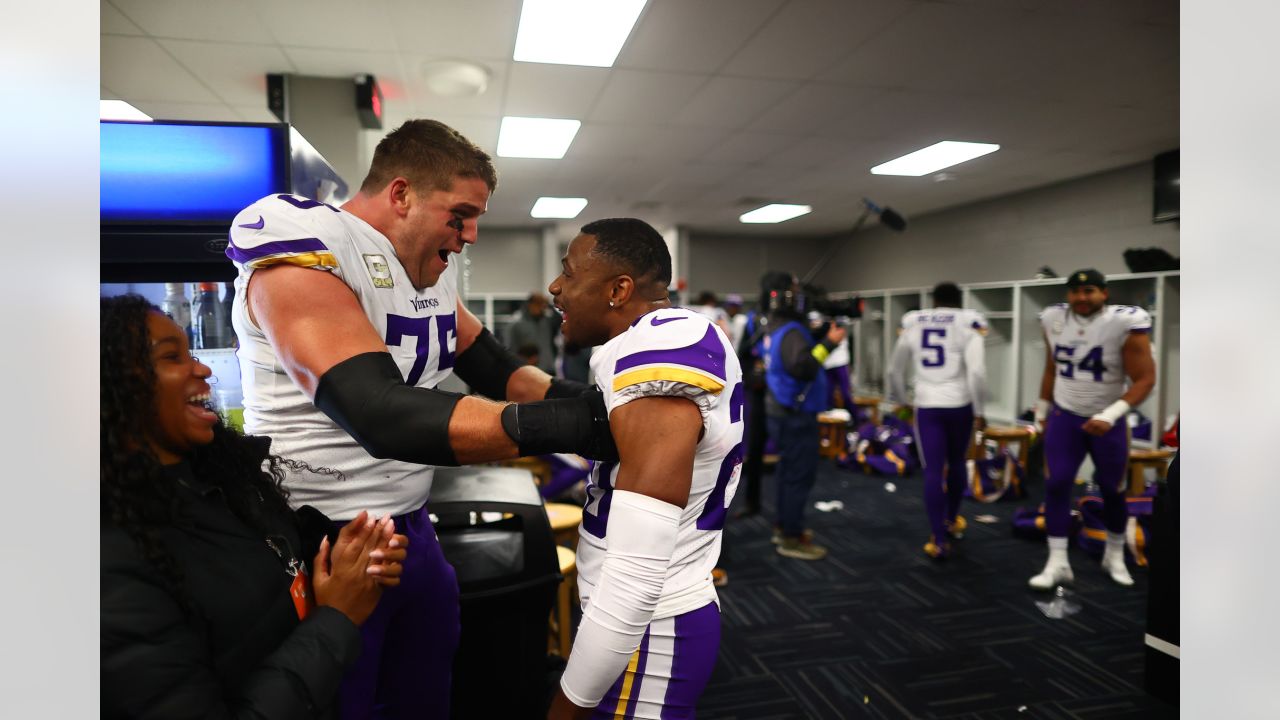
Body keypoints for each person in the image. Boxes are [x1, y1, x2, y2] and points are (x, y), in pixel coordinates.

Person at [225, 118, 615, 720]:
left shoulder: (425, 269)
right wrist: (577, 427)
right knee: (344, 701)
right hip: (324, 534)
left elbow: (497, 368)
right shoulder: (305, 246)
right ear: (401, 194)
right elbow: (376, 410)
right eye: (459, 215)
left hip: (412, 525)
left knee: (427, 692)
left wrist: (603, 404)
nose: (471, 235)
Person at [101, 294, 409, 719]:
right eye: (172, 358)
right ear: (112, 386)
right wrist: (337, 615)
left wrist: (346, 556)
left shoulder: (217, 476)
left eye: (191, 352)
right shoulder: (111, 561)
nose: (202, 369)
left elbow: (272, 552)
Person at [545, 219, 743, 720]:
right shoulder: (639, 342)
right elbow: (529, 386)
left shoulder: (661, 348)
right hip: (637, 624)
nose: (555, 287)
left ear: (618, 289)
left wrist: (565, 707)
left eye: (568, 273)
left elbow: (635, 574)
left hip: (649, 626)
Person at [1029, 269, 1156, 589]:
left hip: (1107, 419)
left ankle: (1113, 554)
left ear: (1104, 293)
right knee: (1056, 484)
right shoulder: (1053, 318)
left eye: (1089, 291)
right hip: (1065, 416)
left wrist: (1112, 414)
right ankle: (1057, 562)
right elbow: (1051, 368)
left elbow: (1145, 379)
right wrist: (1041, 411)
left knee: (1113, 488)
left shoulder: (1124, 321)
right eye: (1075, 292)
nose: (1082, 298)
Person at [887, 282, 988, 560]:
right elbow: (977, 372)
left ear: (934, 301)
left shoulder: (913, 321)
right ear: (960, 300)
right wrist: (980, 411)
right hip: (960, 404)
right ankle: (952, 519)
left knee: (932, 470)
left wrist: (901, 402)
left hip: (927, 405)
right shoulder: (968, 322)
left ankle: (938, 539)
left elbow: (894, 369)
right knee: (956, 463)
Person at [761, 272, 847, 560]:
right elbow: (804, 367)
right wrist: (831, 343)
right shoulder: (793, 332)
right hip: (795, 415)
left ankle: (784, 525)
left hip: (781, 410)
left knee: (788, 473)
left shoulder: (776, 327)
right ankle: (791, 537)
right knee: (799, 475)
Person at [504, 292, 559, 374]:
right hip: (528, 369)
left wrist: (550, 305)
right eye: (539, 304)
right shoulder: (516, 323)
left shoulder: (546, 320)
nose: (542, 308)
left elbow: (559, 320)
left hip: (548, 368)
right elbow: (510, 348)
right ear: (530, 304)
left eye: (543, 305)